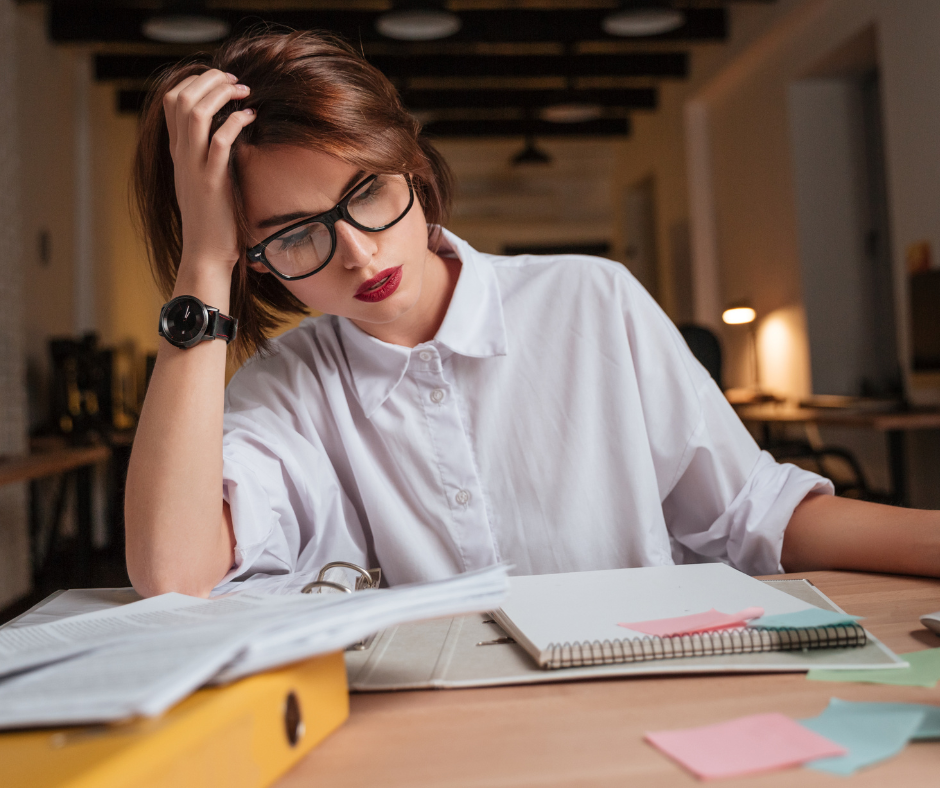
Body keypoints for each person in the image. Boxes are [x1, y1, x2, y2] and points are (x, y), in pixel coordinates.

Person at [126, 30, 940, 599]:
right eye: (297, 235)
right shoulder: (292, 387)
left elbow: (755, 514)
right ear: (254, 259)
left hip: (644, 702)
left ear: (412, 166)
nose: (359, 256)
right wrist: (203, 265)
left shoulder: (591, 298)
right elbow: (175, 570)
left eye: (367, 192)